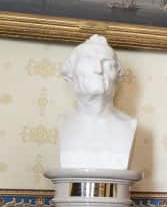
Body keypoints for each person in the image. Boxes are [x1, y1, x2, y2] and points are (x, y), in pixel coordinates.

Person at [57, 34, 136, 169]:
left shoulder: (129, 125)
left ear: (117, 76)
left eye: (107, 64)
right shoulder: (62, 123)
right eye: (88, 61)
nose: (99, 69)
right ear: (70, 74)